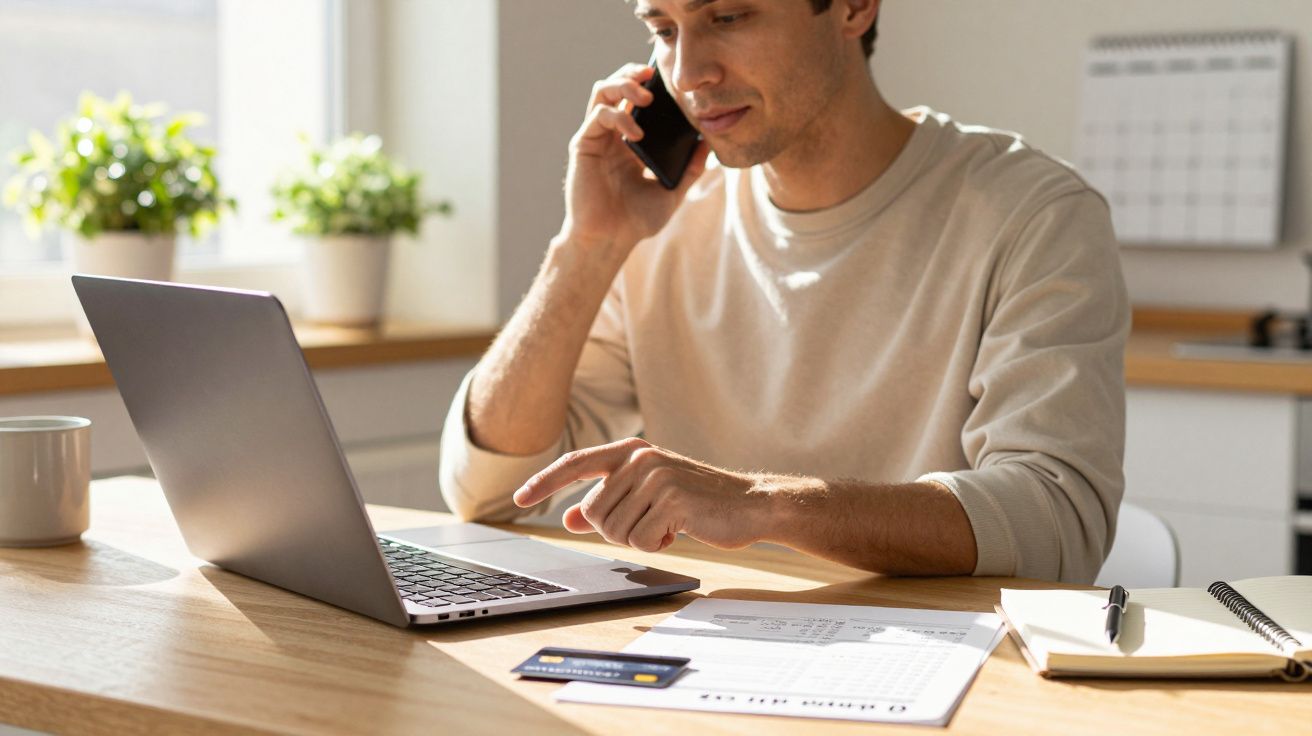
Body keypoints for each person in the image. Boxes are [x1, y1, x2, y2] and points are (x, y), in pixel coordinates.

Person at [438, 0, 1129, 584]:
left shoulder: (1034, 214)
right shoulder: (665, 220)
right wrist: (587, 247)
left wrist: (763, 506)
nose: (687, 75)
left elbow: (1057, 520)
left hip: (941, 671)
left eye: (727, 16)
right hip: (707, 652)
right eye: (665, 28)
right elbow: (485, 489)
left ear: (855, 7)